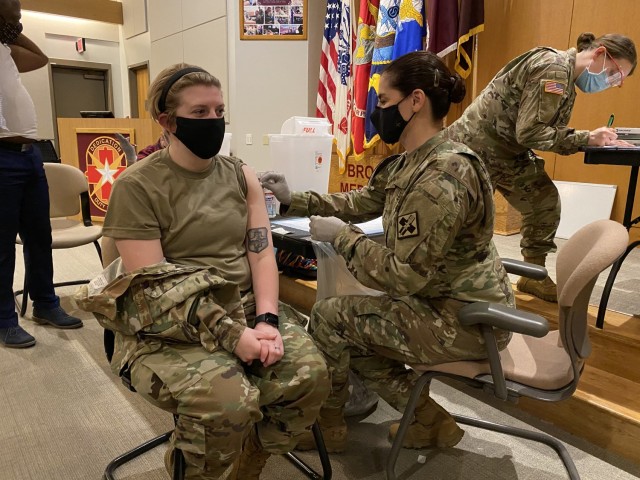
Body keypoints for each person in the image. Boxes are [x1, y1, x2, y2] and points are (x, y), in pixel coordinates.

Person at [261, 51, 514, 453]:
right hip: (445, 303)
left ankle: (328, 430)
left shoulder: (441, 175)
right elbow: (363, 201)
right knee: (350, 320)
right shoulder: (414, 161)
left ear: (416, 101)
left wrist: (342, 237)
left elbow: (403, 275)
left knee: (331, 317)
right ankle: (428, 420)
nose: (376, 113)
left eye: (382, 101)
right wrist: (295, 199)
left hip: (466, 319)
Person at [101, 64, 329, 479]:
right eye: (200, 112)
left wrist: (267, 320)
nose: (214, 122)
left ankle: (249, 461)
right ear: (168, 121)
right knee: (228, 403)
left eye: (219, 111)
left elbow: (261, 255)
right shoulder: (137, 186)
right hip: (168, 323)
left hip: (242, 308)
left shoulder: (240, 176)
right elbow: (158, 290)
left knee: (311, 376)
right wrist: (233, 335)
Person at [447, 32, 637, 302]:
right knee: (467, 220)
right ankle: (446, 280)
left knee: (543, 201)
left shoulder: (566, 76)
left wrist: (592, 140)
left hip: (507, 150)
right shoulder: (554, 69)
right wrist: (586, 138)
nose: (610, 83)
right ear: (599, 54)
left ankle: (532, 275)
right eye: (614, 75)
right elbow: (531, 133)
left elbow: (538, 130)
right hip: (475, 148)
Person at [0, 0, 83, 349]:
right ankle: (4, 318)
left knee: (39, 236)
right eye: (13, 7)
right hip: (2, 157)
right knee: (3, 247)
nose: (19, 8)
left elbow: (40, 58)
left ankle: (45, 304)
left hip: (29, 155)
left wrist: (12, 28)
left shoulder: (6, 48)